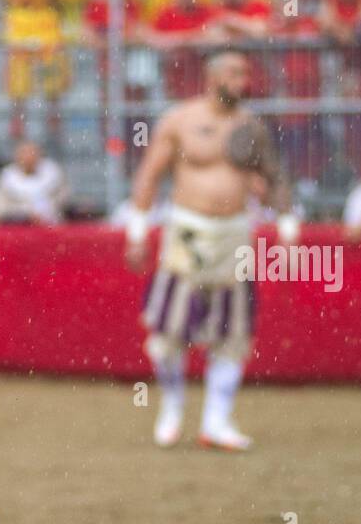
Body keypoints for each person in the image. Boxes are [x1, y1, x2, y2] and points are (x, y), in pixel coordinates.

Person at [125, 50, 299, 451]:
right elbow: (149, 177)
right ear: (214, 77)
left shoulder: (250, 127)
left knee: (234, 330)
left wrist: (288, 227)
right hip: (188, 231)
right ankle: (172, 405)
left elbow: (273, 177)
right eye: (236, 74)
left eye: (246, 73)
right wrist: (137, 232)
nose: (244, 81)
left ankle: (216, 421)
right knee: (169, 328)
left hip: (235, 233)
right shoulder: (180, 120)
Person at [0, 141, 67, 224]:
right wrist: (24, 216)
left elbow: (63, 204)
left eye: (32, 153)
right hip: (17, 230)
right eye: (24, 153)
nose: (29, 157)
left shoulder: (54, 176)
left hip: (51, 228)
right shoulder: (4, 180)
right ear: (17, 157)